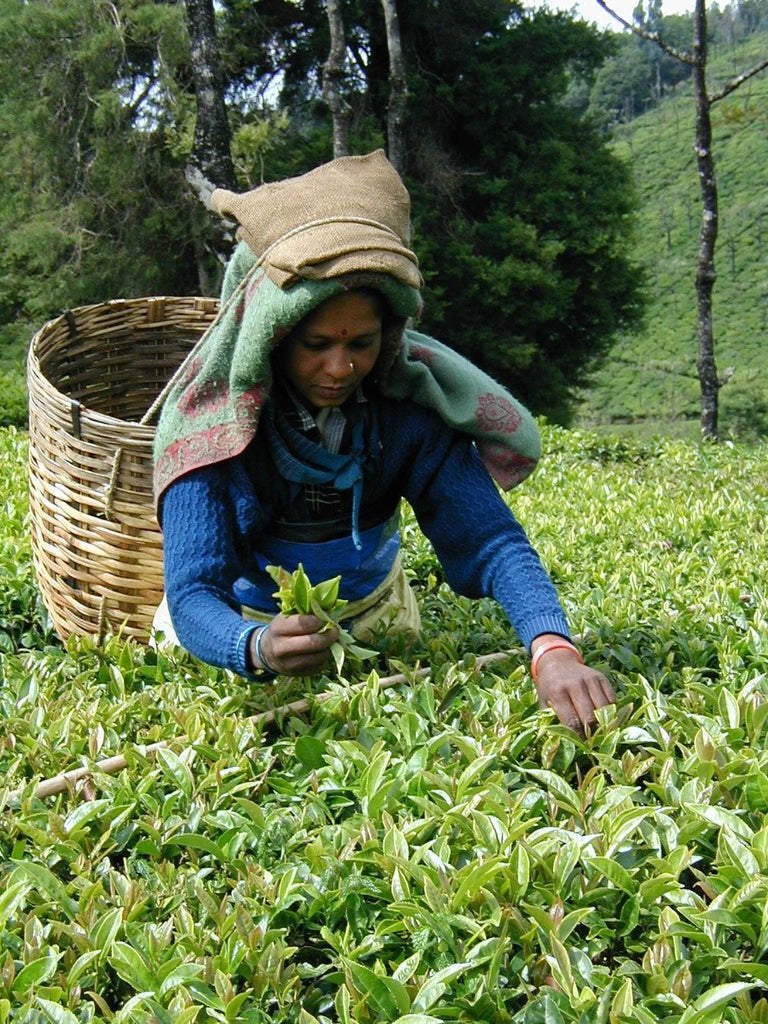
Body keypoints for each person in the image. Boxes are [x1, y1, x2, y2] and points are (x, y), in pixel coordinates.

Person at [152, 150, 615, 735]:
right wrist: (254, 646)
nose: (340, 367)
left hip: (375, 615)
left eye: (361, 344)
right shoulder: (212, 431)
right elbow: (192, 592)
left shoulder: (408, 420)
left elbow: (491, 539)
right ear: (271, 337)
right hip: (237, 625)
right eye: (315, 344)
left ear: (389, 334)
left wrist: (553, 648)